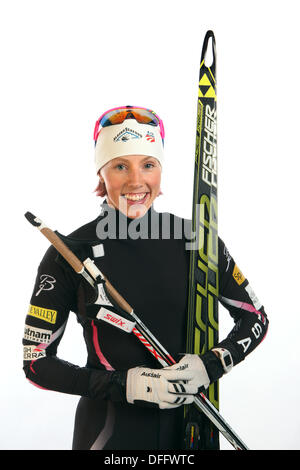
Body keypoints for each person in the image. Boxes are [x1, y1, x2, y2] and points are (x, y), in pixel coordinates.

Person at [23, 106, 269, 450]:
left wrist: (212, 363)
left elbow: (255, 318)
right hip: (108, 435)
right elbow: (36, 363)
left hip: (193, 431)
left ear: (160, 170)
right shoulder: (68, 254)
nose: (136, 181)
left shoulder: (198, 241)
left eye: (148, 165)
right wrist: (124, 385)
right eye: (120, 165)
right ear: (101, 173)